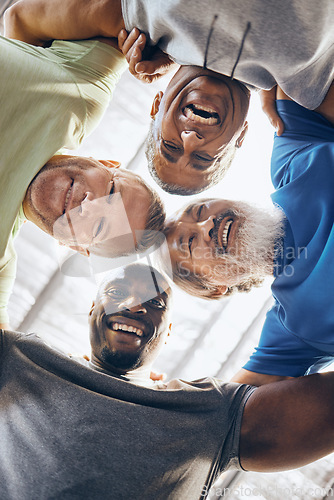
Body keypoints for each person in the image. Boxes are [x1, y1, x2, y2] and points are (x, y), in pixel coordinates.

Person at [2, 261, 334, 499]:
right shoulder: (22, 357)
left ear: (168, 332)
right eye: (118, 291)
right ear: (92, 309)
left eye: (155, 303)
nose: (133, 306)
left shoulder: (209, 410)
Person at [6, 0, 334, 195]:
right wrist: (277, 86)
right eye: (204, 158)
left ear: (156, 105)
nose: (190, 139)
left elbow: (18, 19)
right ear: (241, 136)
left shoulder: (134, 22)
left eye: (171, 146)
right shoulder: (307, 82)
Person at [164, 87, 334, 382]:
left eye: (201, 209)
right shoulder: (293, 327)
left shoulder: (290, 163)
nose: (207, 225)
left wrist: (270, 81)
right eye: (190, 243)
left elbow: (297, 63)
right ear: (215, 286)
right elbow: (224, 408)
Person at [0, 24, 165, 328]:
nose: (89, 203)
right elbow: (132, 16)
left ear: (75, 247)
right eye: (112, 191)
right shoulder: (82, 92)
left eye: (100, 226)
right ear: (106, 162)